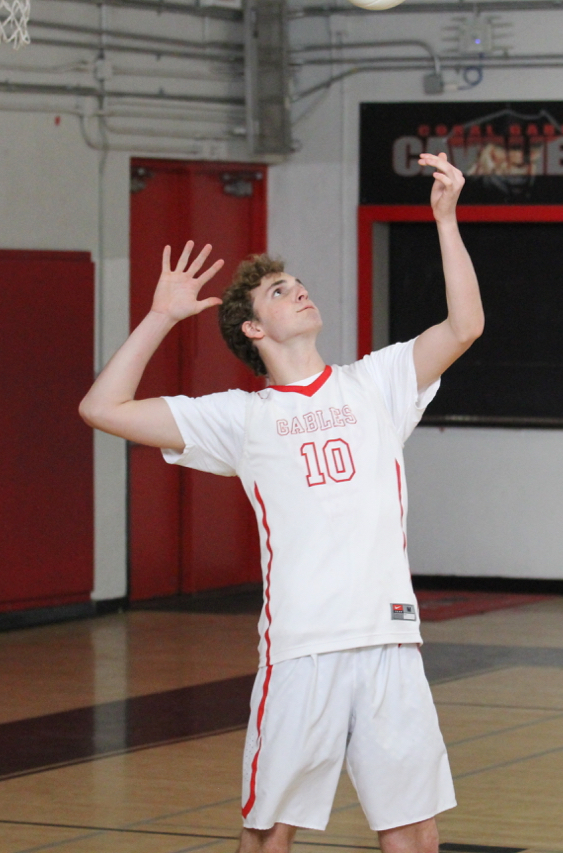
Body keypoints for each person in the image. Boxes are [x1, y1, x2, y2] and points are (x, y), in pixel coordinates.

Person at [79, 151, 483, 853]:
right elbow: (101, 406)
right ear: (253, 331)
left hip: (390, 641)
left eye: (297, 282)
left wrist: (446, 220)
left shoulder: (377, 383)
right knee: (269, 837)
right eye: (278, 291)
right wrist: (159, 317)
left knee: (416, 836)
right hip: (303, 651)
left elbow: (465, 325)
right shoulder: (240, 417)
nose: (298, 291)